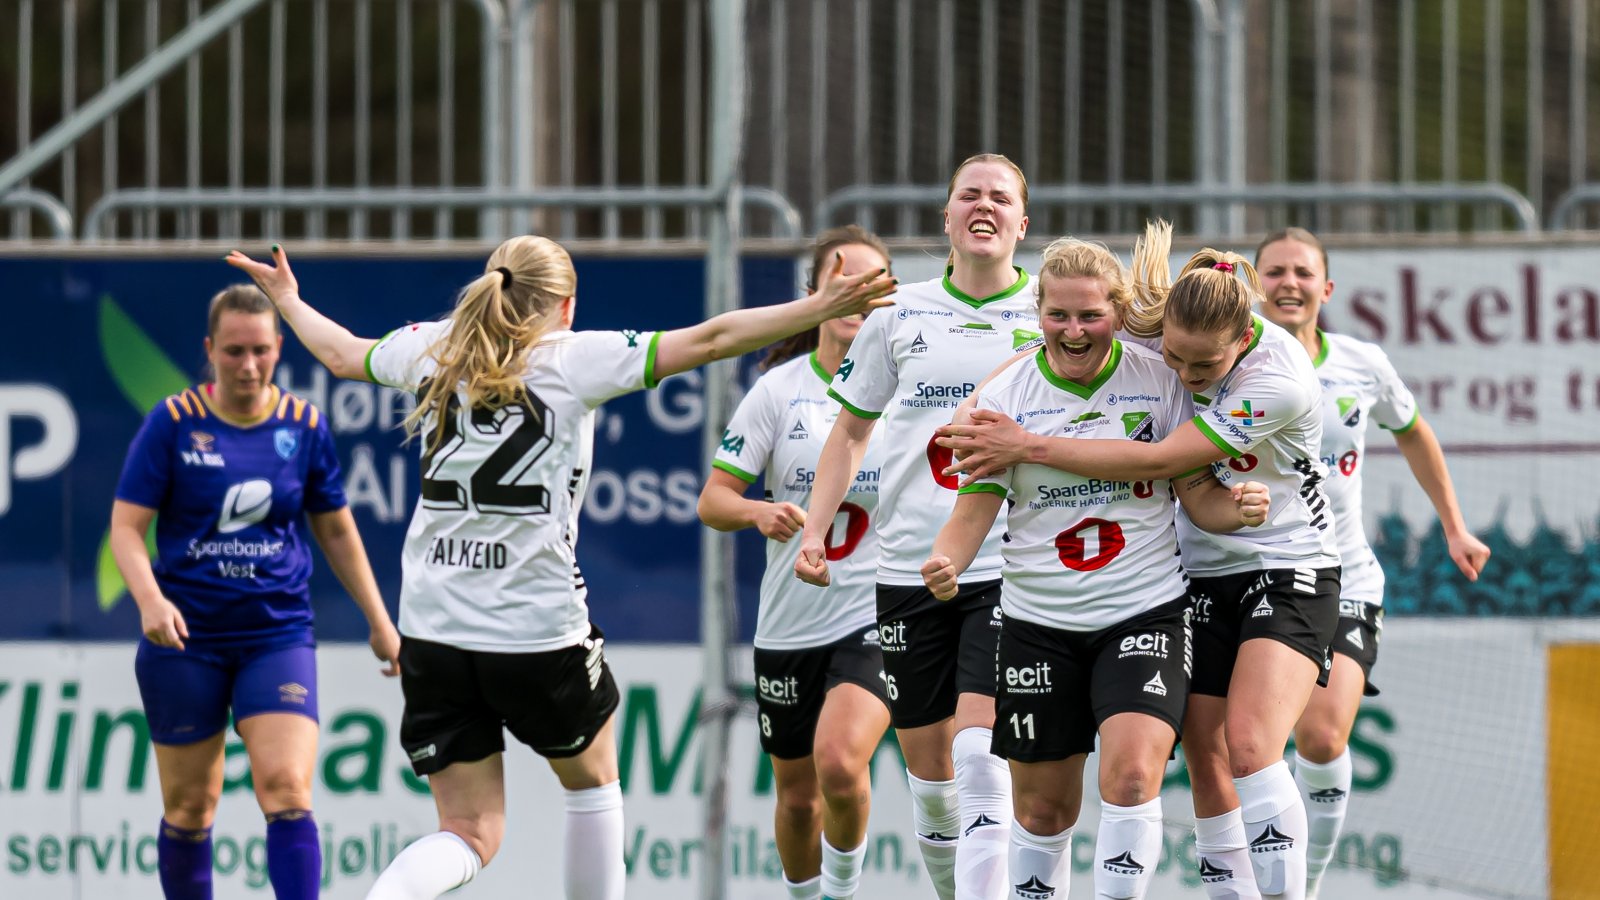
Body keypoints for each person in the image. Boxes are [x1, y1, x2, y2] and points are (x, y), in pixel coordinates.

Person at [225, 237, 897, 900]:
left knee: (467, 831)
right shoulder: (575, 358)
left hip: (431, 627)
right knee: (593, 782)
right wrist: (812, 309)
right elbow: (715, 338)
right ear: (566, 305)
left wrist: (288, 299)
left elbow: (342, 355)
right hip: (534, 629)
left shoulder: (435, 345)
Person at [937, 221, 1342, 900]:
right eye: (1173, 360)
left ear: (1242, 340)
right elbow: (1062, 346)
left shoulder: (1282, 380)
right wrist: (981, 404)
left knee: (1247, 745)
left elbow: (1159, 461)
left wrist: (1026, 444)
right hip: (1198, 570)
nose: (1182, 378)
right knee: (1208, 764)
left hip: (1285, 561)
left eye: (1201, 368)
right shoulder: (1164, 345)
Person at [794, 153, 1038, 900]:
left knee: (980, 760)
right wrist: (815, 531)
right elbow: (850, 434)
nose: (984, 206)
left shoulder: (1048, 317)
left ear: (1023, 223)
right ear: (947, 216)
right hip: (905, 567)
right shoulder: (899, 317)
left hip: (1009, 563)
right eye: (970, 194)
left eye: (1001, 197)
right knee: (932, 789)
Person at [109, 285, 401, 900]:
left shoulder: (303, 426)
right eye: (235, 351)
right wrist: (150, 601)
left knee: (288, 790)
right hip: (186, 638)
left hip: (277, 634)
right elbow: (126, 530)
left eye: (262, 352)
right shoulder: (173, 424)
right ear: (210, 350)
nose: (248, 366)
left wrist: (380, 621)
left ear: (278, 350)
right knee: (191, 807)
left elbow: (336, 527)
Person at [1254, 227, 1490, 898]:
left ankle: (1306, 884)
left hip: (1345, 577)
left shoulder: (1361, 363)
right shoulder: (1230, 364)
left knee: (1323, 739)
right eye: (1274, 272)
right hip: (1256, 577)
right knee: (1247, 749)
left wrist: (1454, 526)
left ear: (1326, 289)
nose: (1288, 284)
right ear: (1255, 285)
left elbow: (1413, 431)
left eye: (1303, 272)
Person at [697, 225, 896, 900]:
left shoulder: (909, 392)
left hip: (873, 613)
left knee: (840, 764)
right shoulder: (778, 392)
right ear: (813, 294)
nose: (856, 296)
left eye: (872, 284)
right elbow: (713, 501)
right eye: (842, 281)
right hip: (788, 624)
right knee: (800, 799)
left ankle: (842, 893)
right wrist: (757, 512)